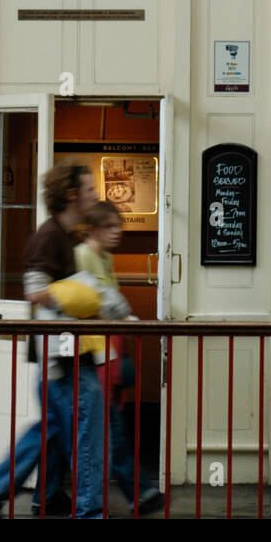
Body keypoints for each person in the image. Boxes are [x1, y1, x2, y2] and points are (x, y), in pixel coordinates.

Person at [0, 161, 97, 518]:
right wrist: (85, 296)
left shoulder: (64, 235)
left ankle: (38, 496)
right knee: (64, 430)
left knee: (50, 430)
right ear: (72, 194)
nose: (95, 195)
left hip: (58, 352)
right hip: (58, 354)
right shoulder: (49, 236)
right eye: (89, 190)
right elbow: (35, 291)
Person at [74, 201, 161, 513]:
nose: (117, 232)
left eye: (118, 226)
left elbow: (110, 301)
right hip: (95, 351)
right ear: (95, 229)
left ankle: (46, 493)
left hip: (108, 349)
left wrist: (122, 318)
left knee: (102, 425)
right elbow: (97, 300)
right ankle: (139, 493)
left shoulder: (104, 257)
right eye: (110, 226)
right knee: (107, 425)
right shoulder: (83, 255)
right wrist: (122, 317)